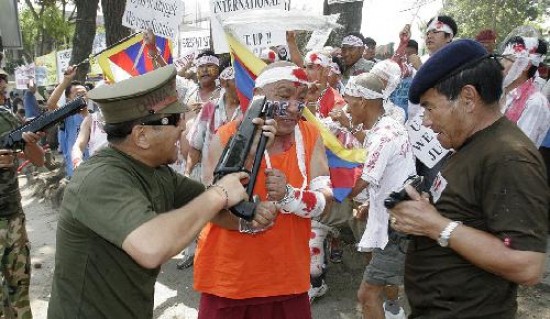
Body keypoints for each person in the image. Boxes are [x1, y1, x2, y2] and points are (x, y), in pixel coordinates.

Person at [47, 65, 277, 318]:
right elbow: (151, 247)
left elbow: (215, 211)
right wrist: (218, 194)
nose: (182, 128)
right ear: (142, 135)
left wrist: (247, 158)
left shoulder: (157, 172)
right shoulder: (100, 178)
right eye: (175, 120)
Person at [391, 39, 548, 318]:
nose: (425, 121)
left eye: (429, 107)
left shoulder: (508, 157)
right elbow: (468, 214)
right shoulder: (471, 144)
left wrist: (437, 225)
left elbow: (527, 265)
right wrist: (423, 213)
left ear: (467, 98)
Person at [194, 62, 333, 318]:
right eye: (283, 96)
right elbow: (206, 207)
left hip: (287, 279)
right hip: (230, 281)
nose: (293, 107)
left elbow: (326, 203)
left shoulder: (310, 135)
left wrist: (290, 196)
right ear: (259, 98)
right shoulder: (227, 136)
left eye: (300, 98)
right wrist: (247, 221)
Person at [343, 73, 414, 319]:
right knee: (379, 281)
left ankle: (394, 310)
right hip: (395, 217)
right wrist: (372, 207)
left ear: (362, 101)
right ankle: (395, 310)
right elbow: (392, 176)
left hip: (394, 227)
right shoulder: (390, 127)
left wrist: (322, 195)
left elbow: (358, 184)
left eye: (349, 102)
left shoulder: (383, 136)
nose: (346, 109)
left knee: (366, 295)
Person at [0, 100, 45, 319]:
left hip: (12, 217)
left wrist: (30, 144)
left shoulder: (6, 116)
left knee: (18, 287)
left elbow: (38, 160)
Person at [500, 36, 550, 148]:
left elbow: (519, 150)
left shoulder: (535, 103)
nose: (501, 64)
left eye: (508, 59)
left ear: (526, 65)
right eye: (502, 58)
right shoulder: (502, 93)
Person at [46, 66, 89, 178]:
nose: (82, 97)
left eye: (83, 93)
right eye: (77, 95)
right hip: (76, 174)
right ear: (69, 100)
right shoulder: (68, 117)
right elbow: (51, 105)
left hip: (96, 173)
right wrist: (66, 80)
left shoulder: (96, 117)